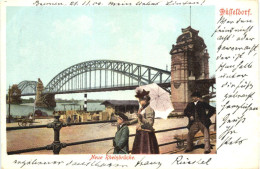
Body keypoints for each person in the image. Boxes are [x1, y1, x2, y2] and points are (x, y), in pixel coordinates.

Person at [129, 89, 159, 154]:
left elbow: (150, 123)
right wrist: (129, 122)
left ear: (145, 100)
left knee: (145, 151)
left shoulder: (149, 108)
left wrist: (141, 118)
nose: (139, 102)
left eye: (140, 100)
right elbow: (138, 119)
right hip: (140, 132)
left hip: (146, 134)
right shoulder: (142, 108)